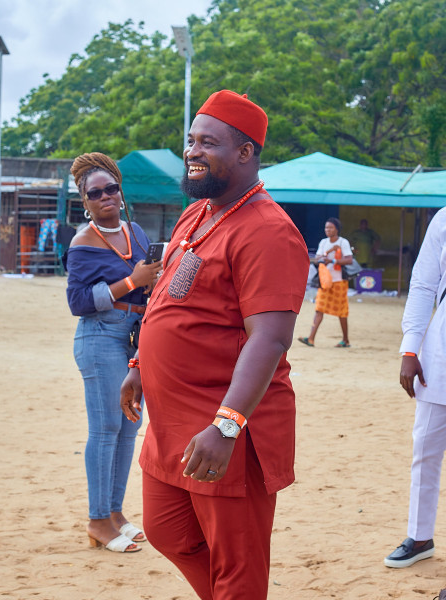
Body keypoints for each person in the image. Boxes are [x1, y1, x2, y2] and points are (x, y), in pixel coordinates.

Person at [120, 90, 309, 599]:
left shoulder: (270, 232)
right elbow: (165, 294)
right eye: (190, 140)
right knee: (166, 530)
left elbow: (269, 339)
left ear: (245, 152)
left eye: (208, 142)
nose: (192, 151)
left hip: (227, 428)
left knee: (237, 566)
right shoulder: (196, 214)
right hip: (171, 423)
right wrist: (140, 361)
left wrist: (227, 425)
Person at [64, 152, 162, 553]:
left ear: (121, 193)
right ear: (84, 202)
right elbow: (79, 302)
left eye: (111, 189)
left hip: (134, 338)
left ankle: (115, 513)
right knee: (105, 430)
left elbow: (147, 281)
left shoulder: (136, 232)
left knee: (128, 429)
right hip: (100, 336)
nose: (105, 196)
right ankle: (97, 520)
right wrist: (131, 281)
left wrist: (150, 279)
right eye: (95, 193)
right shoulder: (83, 243)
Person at [384, 207, 446, 568]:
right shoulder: (443, 219)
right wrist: (410, 348)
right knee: (424, 449)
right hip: (439, 355)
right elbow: (423, 284)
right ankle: (420, 536)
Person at [298, 217, 353, 348]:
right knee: (319, 309)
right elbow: (317, 258)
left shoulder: (343, 242)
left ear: (337, 229)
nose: (327, 230)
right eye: (326, 228)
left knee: (341, 312)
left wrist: (333, 261)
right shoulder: (323, 242)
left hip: (339, 282)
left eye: (330, 228)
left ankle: (345, 340)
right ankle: (311, 339)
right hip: (325, 281)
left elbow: (349, 260)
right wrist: (325, 255)